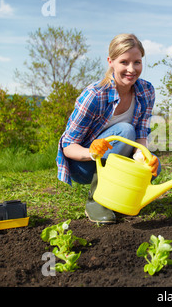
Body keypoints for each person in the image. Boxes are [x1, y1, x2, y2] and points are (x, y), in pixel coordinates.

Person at [56, 33, 160, 224]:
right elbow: (68, 146)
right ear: (110, 61)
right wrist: (91, 152)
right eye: (124, 62)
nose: (131, 69)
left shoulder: (146, 91)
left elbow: (142, 134)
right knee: (125, 130)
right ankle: (97, 201)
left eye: (137, 62)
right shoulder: (94, 95)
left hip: (113, 160)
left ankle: (119, 199)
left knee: (154, 165)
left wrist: (142, 156)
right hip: (84, 164)